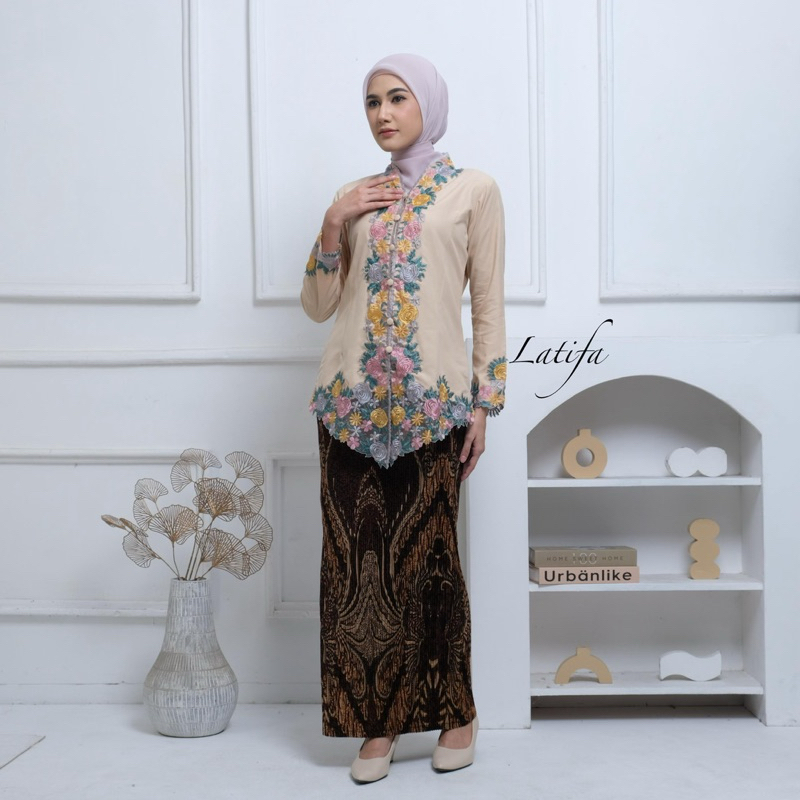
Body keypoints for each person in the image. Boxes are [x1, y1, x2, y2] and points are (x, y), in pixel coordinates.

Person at [300, 53, 506, 783]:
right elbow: (318, 305)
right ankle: (377, 723)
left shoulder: (474, 191)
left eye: (397, 98)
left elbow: (488, 305)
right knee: (357, 574)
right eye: (371, 102)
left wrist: (485, 403)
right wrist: (334, 222)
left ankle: (457, 715)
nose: (383, 113)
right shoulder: (352, 196)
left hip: (433, 404)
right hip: (350, 406)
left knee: (432, 567)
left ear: (428, 105)